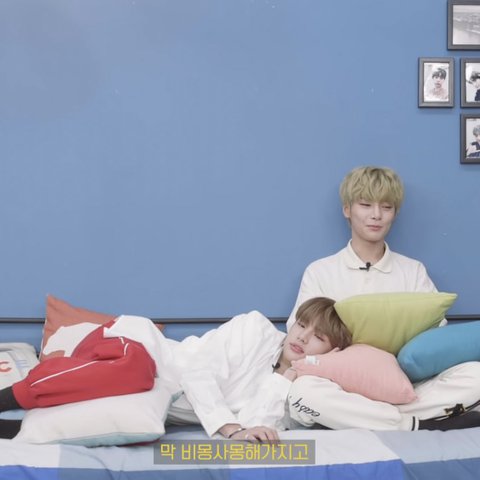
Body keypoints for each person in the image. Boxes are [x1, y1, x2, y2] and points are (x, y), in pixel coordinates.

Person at [287, 166, 480, 431]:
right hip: (339, 385)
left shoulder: (412, 270)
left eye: (386, 207)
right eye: (365, 205)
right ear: (347, 209)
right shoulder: (321, 271)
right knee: (303, 393)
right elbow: (298, 333)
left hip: (405, 385)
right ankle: (409, 423)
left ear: (395, 213)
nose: (376, 215)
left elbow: (436, 340)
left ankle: (373, 418)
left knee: (476, 375)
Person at [0, 297, 351, 442]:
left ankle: (11, 429)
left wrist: (284, 378)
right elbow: (198, 373)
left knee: (122, 411)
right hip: (139, 350)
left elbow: (257, 428)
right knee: (134, 372)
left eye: (318, 337)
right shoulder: (256, 329)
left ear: (332, 352)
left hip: (149, 392)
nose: (302, 337)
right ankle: (5, 398)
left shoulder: (295, 390)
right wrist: (230, 428)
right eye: (301, 325)